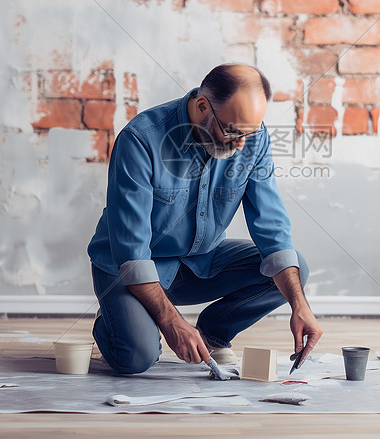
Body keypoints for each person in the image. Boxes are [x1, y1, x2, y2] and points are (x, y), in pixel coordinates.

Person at [87, 63, 323, 374]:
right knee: (136, 358)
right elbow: (132, 253)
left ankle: (214, 334)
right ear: (202, 106)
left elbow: (271, 226)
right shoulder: (141, 140)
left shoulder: (252, 138)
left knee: (295, 269)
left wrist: (299, 303)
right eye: (233, 131)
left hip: (200, 262)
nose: (241, 144)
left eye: (249, 134)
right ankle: (115, 322)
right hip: (130, 267)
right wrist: (173, 323)